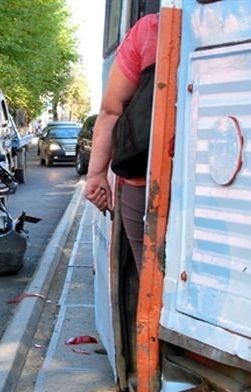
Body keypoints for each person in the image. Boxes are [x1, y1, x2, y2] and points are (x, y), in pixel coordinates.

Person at [84, 13, 158, 272]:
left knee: (148, 275)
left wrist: (96, 174)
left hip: (147, 182)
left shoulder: (151, 29)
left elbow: (112, 111)